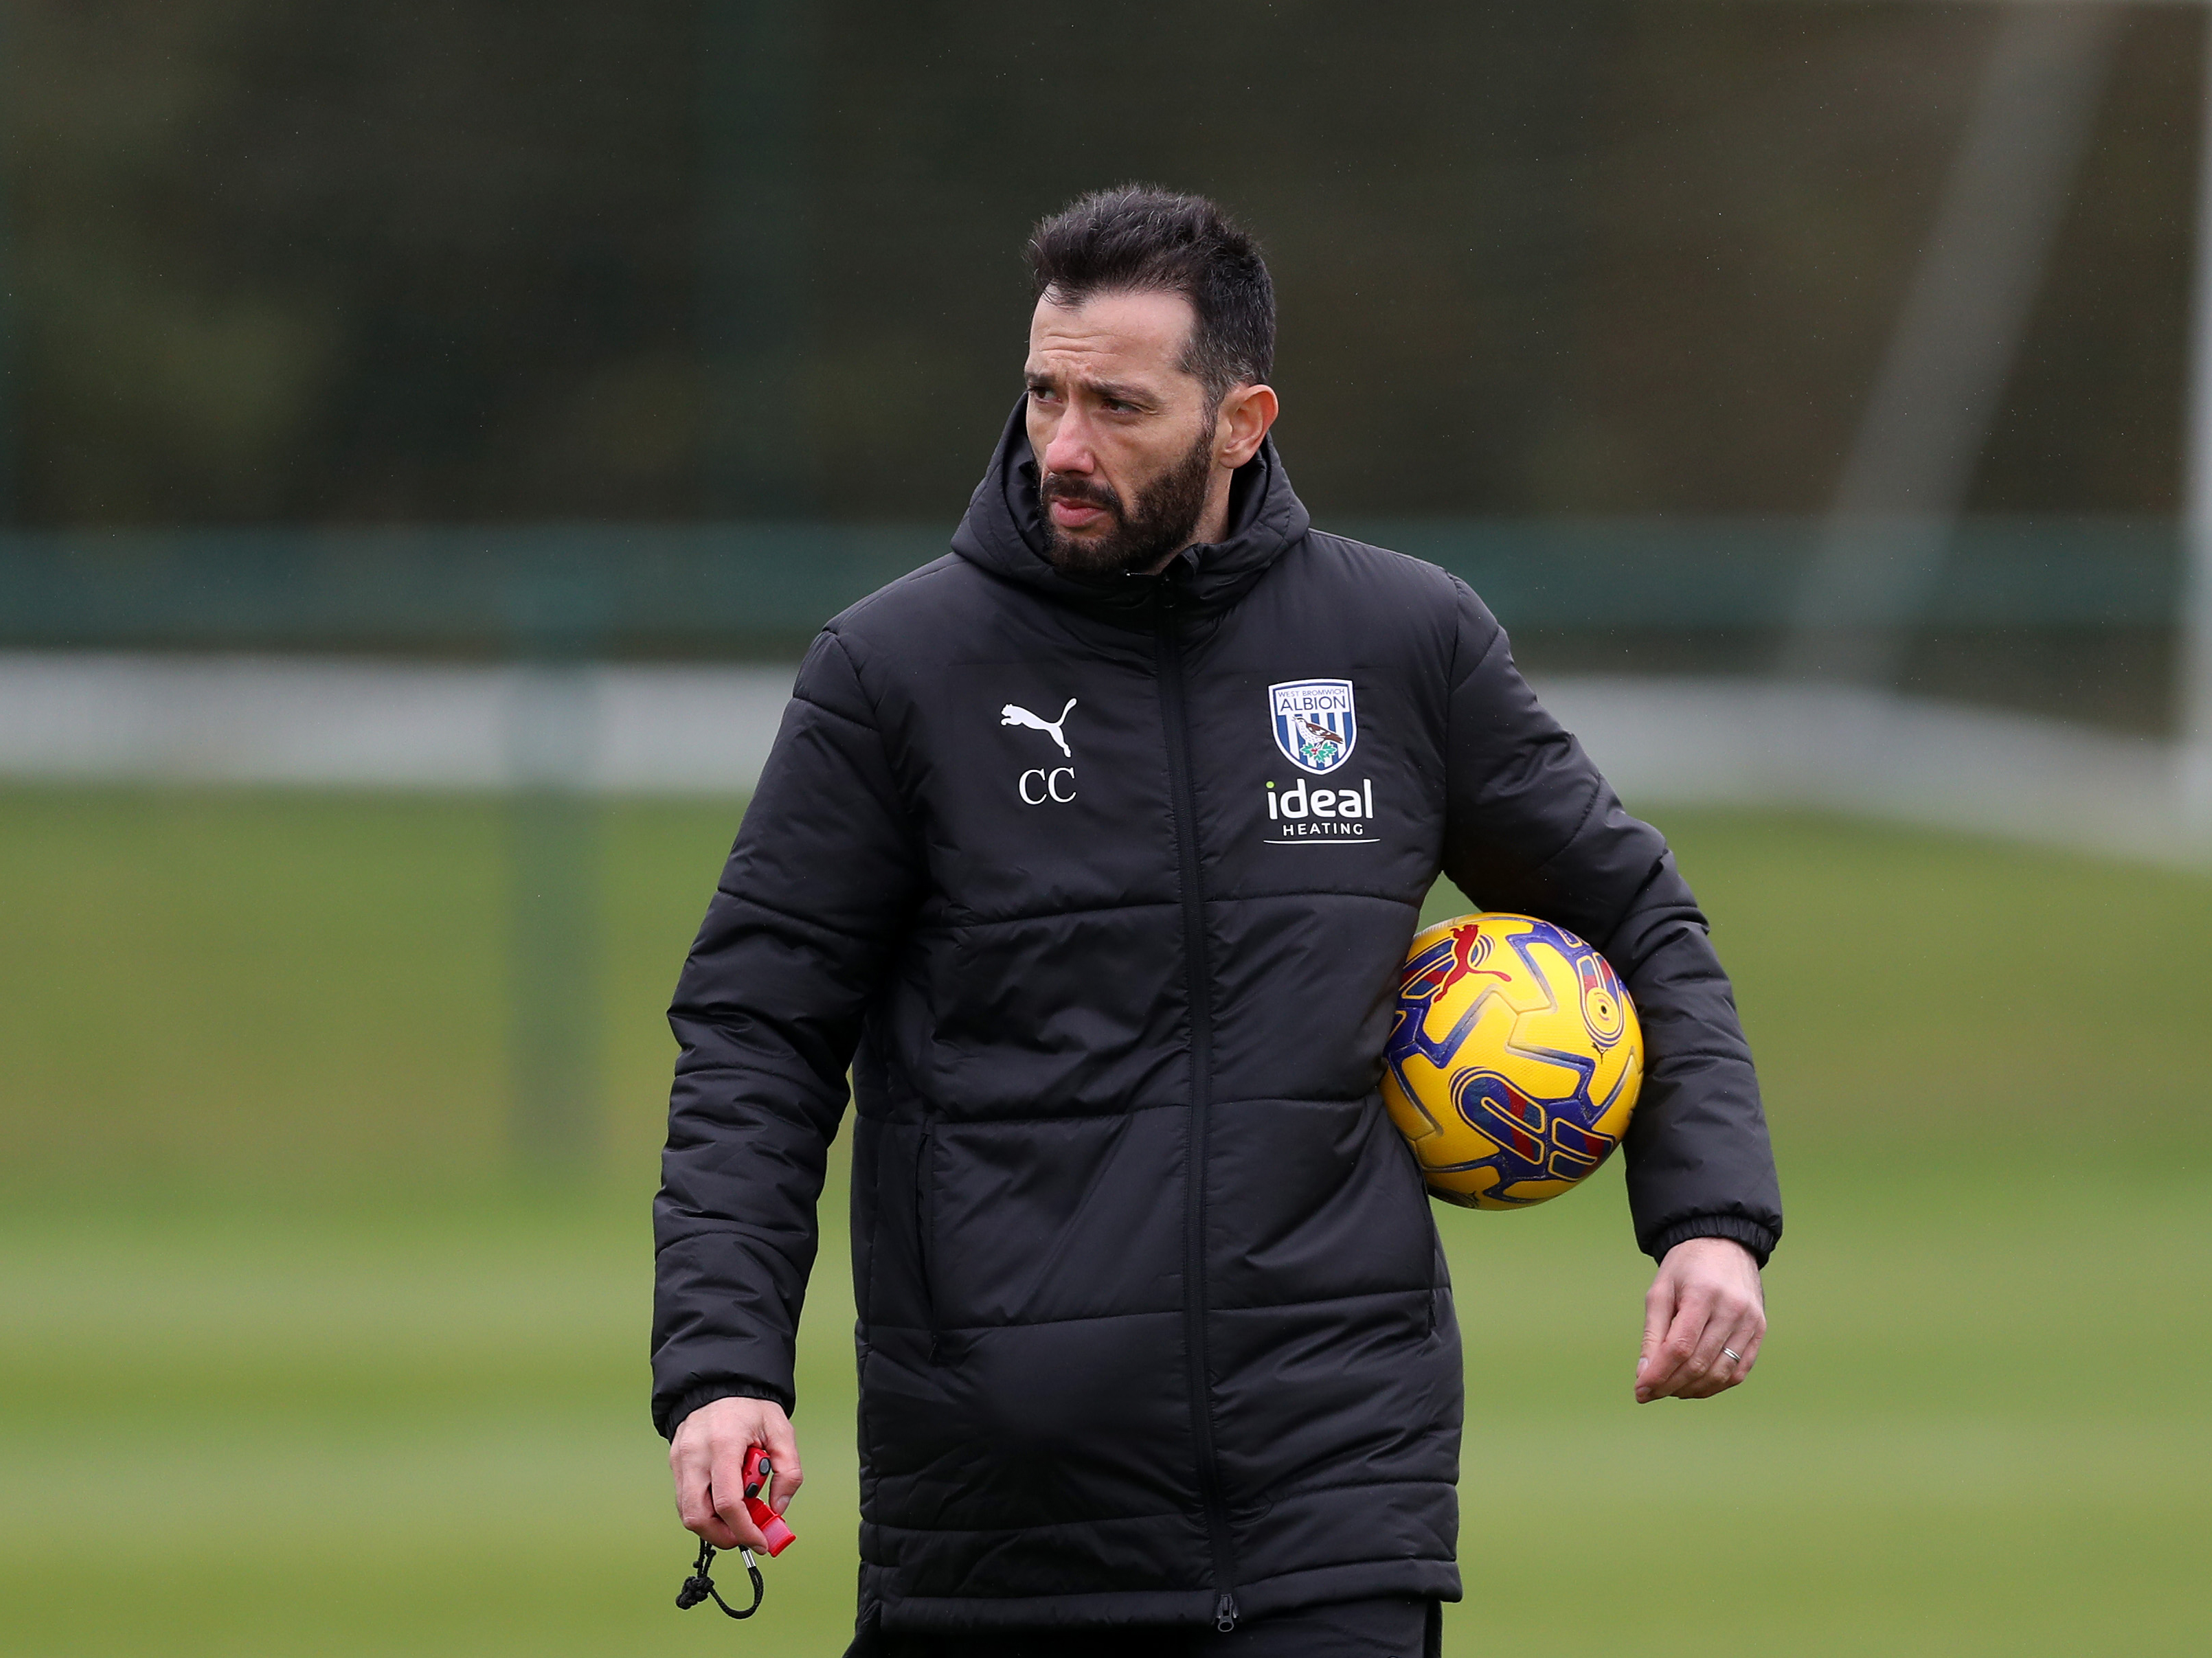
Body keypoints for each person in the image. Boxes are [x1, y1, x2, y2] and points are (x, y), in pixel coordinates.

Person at [653, 185, 1783, 1657]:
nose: (1062, 445)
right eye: (1043, 393)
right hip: (1000, 1520)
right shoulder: (895, 670)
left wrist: (1706, 1217)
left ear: (1241, 419)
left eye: (1117, 406)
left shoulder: (1399, 644)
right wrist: (725, 1365)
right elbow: (758, 1032)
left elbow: (1636, 911)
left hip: (1329, 1511)